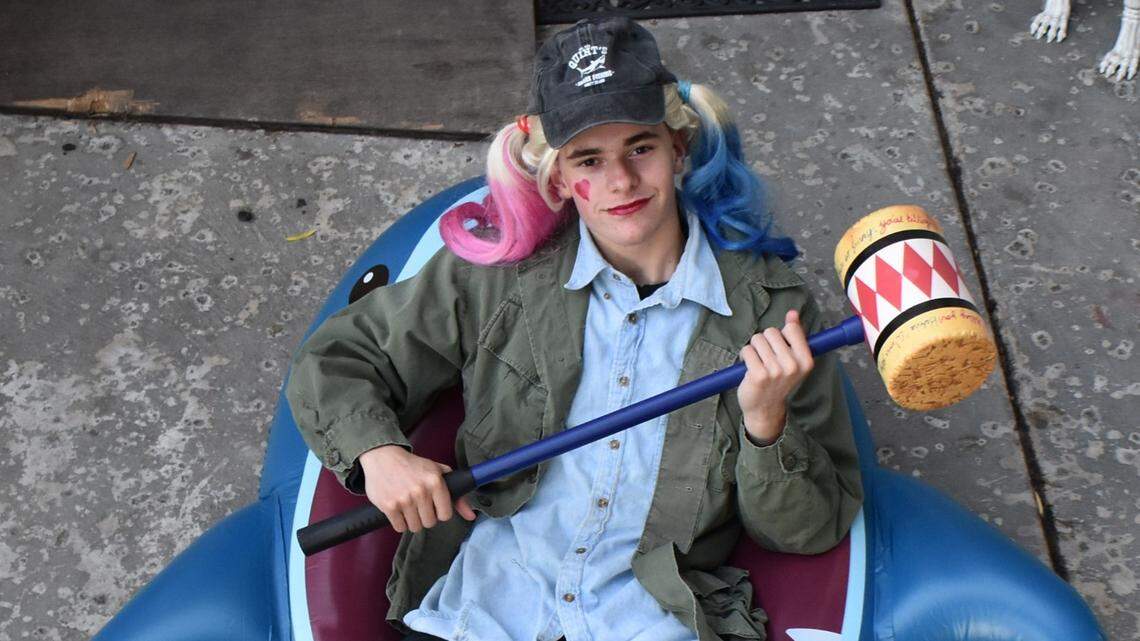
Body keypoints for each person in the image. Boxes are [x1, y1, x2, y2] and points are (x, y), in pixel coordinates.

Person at [286, 17, 862, 641]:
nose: (620, 181)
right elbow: (337, 357)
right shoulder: (498, 277)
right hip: (481, 615)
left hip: (647, 620)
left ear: (679, 148)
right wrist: (380, 455)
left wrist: (766, 423)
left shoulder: (774, 309)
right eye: (589, 159)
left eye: (640, 147)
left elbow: (809, 530)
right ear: (557, 179)